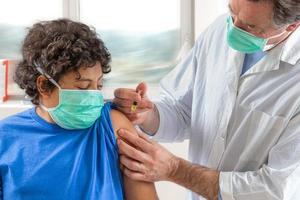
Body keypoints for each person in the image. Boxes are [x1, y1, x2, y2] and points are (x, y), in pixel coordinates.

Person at [113, 0, 300, 199]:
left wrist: (175, 170)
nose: (233, 30)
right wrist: (148, 114)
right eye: (232, 12)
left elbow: (275, 190)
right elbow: (183, 111)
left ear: (292, 25)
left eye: (249, 26)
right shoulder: (218, 31)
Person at [0, 19, 158, 200]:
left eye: (98, 86)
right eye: (83, 87)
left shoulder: (114, 127)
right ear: (43, 85)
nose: (93, 97)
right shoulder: (5, 137)